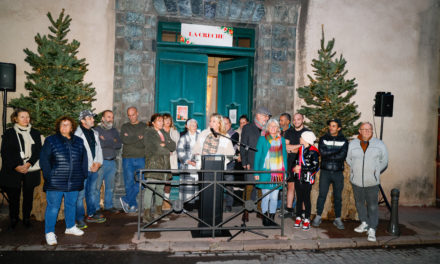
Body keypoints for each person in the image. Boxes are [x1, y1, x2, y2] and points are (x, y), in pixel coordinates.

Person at [40, 116, 88, 245]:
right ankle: (49, 233)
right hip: (55, 181)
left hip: (74, 180)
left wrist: (82, 175)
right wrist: (49, 176)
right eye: (62, 124)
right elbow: (44, 160)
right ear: (58, 127)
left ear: (72, 127)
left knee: (71, 205)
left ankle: (70, 227)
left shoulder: (78, 141)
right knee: (53, 207)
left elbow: (84, 159)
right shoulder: (51, 140)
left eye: (67, 125)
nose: (64, 127)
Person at [0, 108, 42, 229]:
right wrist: (16, 166)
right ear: (15, 118)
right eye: (22, 117)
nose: (26, 119)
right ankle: (13, 218)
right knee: (14, 197)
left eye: (28, 117)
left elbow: (38, 150)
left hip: (30, 169)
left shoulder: (35, 133)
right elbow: (5, 152)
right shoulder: (9, 133)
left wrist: (28, 163)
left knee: (28, 196)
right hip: (13, 170)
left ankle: (26, 218)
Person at [346, 122, 388, 242]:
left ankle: (372, 228)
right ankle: (364, 222)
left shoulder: (379, 144)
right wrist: (355, 170)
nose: (367, 131)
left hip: (372, 182)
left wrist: (375, 172)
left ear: (372, 131)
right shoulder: (352, 144)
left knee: (373, 206)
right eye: (364, 129)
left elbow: (384, 161)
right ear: (359, 131)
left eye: (369, 129)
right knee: (359, 203)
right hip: (356, 180)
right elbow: (349, 159)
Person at [312, 118, 348, 229]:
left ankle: (337, 219)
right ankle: (318, 216)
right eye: (330, 125)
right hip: (325, 172)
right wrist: (336, 151)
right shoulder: (323, 139)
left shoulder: (344, 140)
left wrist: (330, 153)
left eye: (333, 126)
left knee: (338, 196)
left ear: (339, 128)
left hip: (337, 172)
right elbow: (322, 153)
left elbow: (342, 156)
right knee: (322, 195)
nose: (331, 128)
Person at [142, 114, 176, 223]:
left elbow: (173, 146)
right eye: (159, 121)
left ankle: (158, 212)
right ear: (153, 123)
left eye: (162, 121)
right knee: (150, 189)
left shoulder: (164, 132)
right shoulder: (149, 133)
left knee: (160, 189)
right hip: (153, 165)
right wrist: (167, 149)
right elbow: (156, 149)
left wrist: (164, 144)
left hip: (164, 165)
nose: (161, 123)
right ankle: (146, 216)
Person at [254, 119, 288, 226]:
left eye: (275, 126)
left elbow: (284, 157)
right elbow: (257, 157)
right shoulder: (262, 139)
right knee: (266, 196)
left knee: (274, 197)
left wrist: (285, 172)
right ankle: (265, 218)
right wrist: (256, 173)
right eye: (271, 126)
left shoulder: (281, 140)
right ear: (268, 128)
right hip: (265, 172)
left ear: (278, 128)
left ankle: (272, 218)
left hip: (278, 172)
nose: (273, 128)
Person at [75, 110, 105, 228]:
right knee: (80, 195)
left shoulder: (94, 133)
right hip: (82, 170)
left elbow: (99, 150)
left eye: (93, 117)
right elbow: (77, 154)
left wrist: (98, 163)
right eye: (90, 118)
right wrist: (89, 166)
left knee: (91, 192)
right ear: (82, 120)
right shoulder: (76, 134)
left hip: (94, 169)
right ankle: (79, 218)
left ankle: (91, 214)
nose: (93, 119)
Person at [240, 107, 270, 222]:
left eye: (267, 116)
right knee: (249, 188)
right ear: (258, 115)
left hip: (263, 163)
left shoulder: (268, 129)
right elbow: (243, 145)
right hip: (251, 162)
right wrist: (244, 161)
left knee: (261, 188)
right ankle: (246, 211)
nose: (266, 118)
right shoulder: (248, 127)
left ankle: (260, 211)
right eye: (264, 116)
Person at [282, 113, 310, 218]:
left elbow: (307, 148)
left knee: (302, 187)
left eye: (298, 119)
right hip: (291, 162)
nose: (296, 121)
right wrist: (299, 146)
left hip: (303, 163)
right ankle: (289, 209)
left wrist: (293, 148)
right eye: (294, 120)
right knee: (291, 186)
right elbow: (285, 147)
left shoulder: (307, 132)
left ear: (303, 119)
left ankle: (302, 211)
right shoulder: (289, 132)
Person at [119, 107, 146, 213]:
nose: (131, 117)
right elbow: (125, 140)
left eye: (133, 114)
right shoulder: (125, 126)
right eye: (129, 115)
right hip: (127, 158)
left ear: (137, 113)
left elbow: (144, 142)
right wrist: (137, 138)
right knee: (129, 182)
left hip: (141, 157)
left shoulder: (144, 126)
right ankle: (133, 205)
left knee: (143, 181)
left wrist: (132, 138)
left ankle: (126, 199)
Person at [94, 110, 122, 213]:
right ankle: (96, 208)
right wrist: (111, 141)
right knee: (97, 187)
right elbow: (99, 144)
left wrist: (106, 140)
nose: (110, 119)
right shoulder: (97, 130)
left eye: (112, 117)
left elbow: (118, 144)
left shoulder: (114, 130)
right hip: (100, 163)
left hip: (112, 162)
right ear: (103, 118)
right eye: (108, 117)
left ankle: (108, 206)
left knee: (110, 187)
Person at [293, 131, 319, 231]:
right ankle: (298, 216)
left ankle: (307, 219)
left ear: (306, 139)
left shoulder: (314, 151)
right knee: (299, 198)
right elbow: (295, 162)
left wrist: (302, 168)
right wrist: (294, 169)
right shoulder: (300, 149)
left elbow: (315, 167)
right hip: (298, 178)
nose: (300, 138)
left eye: (301, 137)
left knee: (306, 199)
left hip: (307, 179)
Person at [176, 119, 200, 211]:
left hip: (199, 166)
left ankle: (198, 205)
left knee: (198, 186)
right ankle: (188, 206)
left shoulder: (200, 137)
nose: (194, 126)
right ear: (188, 127)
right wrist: (189, 161)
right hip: (187, 166)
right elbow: (180, 152)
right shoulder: (183, 138)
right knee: (188, 187)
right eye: (192, 125)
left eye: (195, 125)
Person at [162, 113, 180, 210]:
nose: (168, 122)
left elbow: (177, 144)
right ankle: (158, 201)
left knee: (168, 180)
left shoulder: (174, 131)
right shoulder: (159, 131)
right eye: (165, 120)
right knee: (160, 179)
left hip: (171, 158)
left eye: (169, 120)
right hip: (161, 159)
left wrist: (172, 151)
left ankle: (166, 201)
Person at [223, 116, 240, 212]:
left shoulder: (235, 134)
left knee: (229, 183)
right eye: (223, 123)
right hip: (219, 162)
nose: (225, 125)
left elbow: (230, 143)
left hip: (229, 162)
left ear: (230, 124)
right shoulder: (218, 133)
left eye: (227, 123)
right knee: (217, 183)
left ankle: (229, 204)